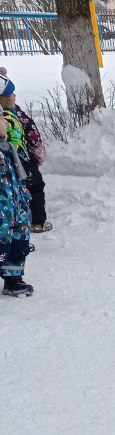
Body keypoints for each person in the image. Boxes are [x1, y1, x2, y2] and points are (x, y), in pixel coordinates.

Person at [0, 71, 50, 233]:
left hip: (14, 162)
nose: (15, 96)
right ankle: (37, 221)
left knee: (18, 191)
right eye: (11, 94)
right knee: (34, 187)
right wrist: (37, 151)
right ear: (3, 99)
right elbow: (30, 133)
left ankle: (19, 222)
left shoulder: (11, 113)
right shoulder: (10, 116)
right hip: (22, 160)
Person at [0, 106, 34, 296]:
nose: (5, 122)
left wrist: (23, 201)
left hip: (14, 209)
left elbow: (17, 178)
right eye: (1, 119)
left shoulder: (7, 149)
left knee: (18, 243)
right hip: (3, 213)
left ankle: (13, 280)